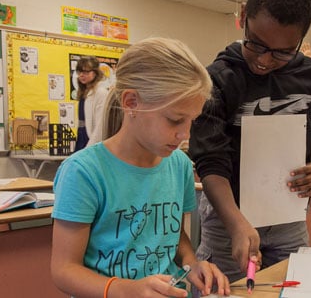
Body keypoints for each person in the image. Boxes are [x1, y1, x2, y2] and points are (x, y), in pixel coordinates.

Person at [50, 37, 230, 298]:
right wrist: (125, 290)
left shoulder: (178, 165)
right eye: (175, 120)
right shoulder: (83, 172)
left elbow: (173, 235)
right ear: (131, 102)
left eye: (192, 120)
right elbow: (64, 270)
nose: (185, 134)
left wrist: (192, 264)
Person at [189, 0, 311, 281]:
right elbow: (211, 163)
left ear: (301, 39)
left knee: (292, 286)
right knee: (229, 287)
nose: (264, 61)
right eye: (256, 43)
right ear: (243, 17)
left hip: (287, 216)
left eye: (282, 53)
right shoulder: (216, 79)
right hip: (228, 216)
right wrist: (236, 224)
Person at [73, 56, 109, 151]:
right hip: (82, 136)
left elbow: (100, 126)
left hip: (91, 140)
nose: (81, 75)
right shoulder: (84, 91)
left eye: (85, 72)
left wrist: (90, 148)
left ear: (95, 73)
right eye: (79, 72)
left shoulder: (101, 92)